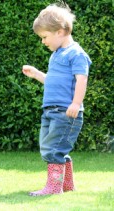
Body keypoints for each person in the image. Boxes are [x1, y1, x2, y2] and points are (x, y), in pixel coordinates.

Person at [22, 3, 91, 196]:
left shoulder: (76, 54)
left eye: (45, 37)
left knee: (53, 149)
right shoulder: (56, 55)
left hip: (65, 112)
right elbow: (53, 82)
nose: (43, 41)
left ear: (60, 32)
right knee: (53, 147)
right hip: (51, 110)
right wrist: (37, 74)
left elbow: (81, 79)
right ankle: (67, 185)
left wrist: (76, 103)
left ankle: (53, 188)